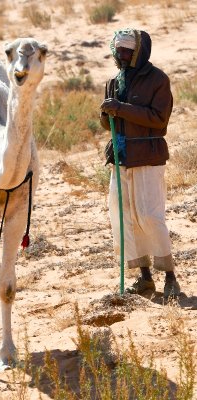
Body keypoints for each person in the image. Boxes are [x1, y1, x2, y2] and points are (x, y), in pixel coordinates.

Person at [99, 28, 180, 299]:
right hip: (121, 158)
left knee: (149, 216)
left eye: (126, 51)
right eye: (117, 50)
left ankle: (170, 277)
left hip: (148, 156)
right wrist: (106, 112)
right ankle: (144, 278)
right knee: (124, 219)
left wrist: (120, 108)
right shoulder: (113, 81)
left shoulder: (158, 80)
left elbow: (159, 119)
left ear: (139, 53)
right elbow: (108, 124)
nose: (120, 55)